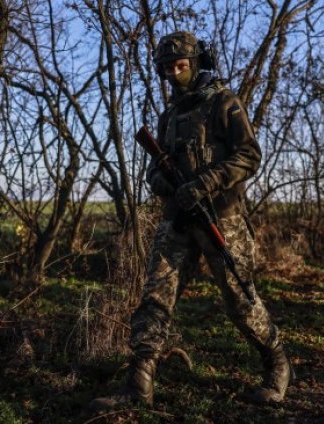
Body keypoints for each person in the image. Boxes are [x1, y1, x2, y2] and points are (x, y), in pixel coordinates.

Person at [90, 31, 292, 410]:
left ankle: (277, 364)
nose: (173, 73)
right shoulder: (170, 116)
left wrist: (206, 182)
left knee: (239, 300)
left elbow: (250, 154)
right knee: (155, 298)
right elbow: (153, 168)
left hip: (221, 218)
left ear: (196, 63)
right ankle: (139, 385)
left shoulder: (224, 103)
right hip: (177, 220)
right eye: (167, 68)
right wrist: (162, 181)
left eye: (180, 65)